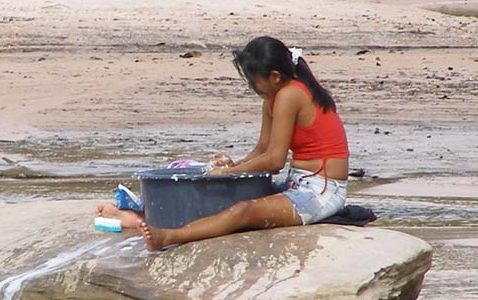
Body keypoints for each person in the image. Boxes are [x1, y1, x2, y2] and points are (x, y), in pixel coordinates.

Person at [97, 36, 349, 251]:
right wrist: (232, 168)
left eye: (254, 80)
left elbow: (274, 161)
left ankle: (168, 237)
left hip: (321, 191)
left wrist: (229, 172)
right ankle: (138, 219)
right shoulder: (273, 98)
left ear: (274, 76)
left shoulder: (290, 95)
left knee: (242, 211)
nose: (252, 87)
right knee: (224, 198)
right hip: (299, 183)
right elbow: (262, 150)